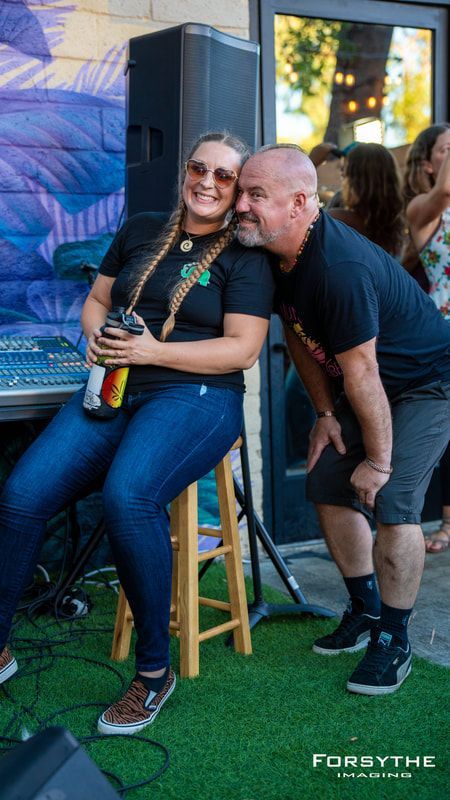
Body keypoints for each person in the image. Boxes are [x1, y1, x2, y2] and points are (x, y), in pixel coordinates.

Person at [0, 132, 274, 733]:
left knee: (129, 495)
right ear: (185, 170)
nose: (206, 182)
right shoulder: (142, 227)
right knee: (21, 496)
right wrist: (100, 337)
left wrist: (154, 350)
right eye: (198, 168)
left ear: (237, 190)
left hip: (198, 395)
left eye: (223, 176)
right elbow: (96, 302)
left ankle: (154, 674)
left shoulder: (245, 255)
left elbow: (243, 349)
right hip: (115, 384)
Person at [235, 143, 450, 696]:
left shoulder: (339, 266)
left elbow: (365, 374)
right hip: (370, 387)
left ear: (299, 202)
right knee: (327, 481)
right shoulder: (276, 255)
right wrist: (326, 414)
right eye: (242, 192)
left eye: (256, 194)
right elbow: (299, 337)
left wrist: (379, 461)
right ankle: (364, 610)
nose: (241, 204)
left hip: (428, 382)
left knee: (395, 496)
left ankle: (394, 640)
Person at [404, 123, 450, 553]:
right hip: (444, 334)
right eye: (447, 149)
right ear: (427, 163)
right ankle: (445, 525)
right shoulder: (424, 207)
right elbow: (445, 192)